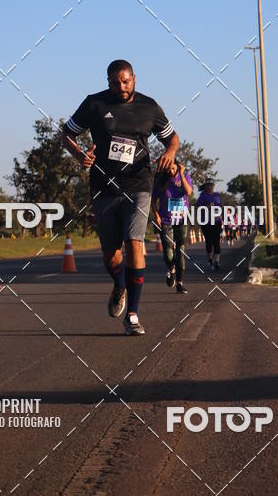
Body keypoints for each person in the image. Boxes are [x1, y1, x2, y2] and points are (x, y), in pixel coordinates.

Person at [62, 59, 179, 336]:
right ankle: (119, 284)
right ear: (108, 82)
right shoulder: (94, 104)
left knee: (134, 243)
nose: (121, 86)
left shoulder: (150, 107)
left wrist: (170, 153)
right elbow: (67, 133)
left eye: (125, 81)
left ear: (134, 79)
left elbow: (172, 138)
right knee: (111, 255)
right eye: (115, 82)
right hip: (104, 186)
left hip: (139, 184)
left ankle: (133, 315)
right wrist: (79, 154)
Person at [152, 162, 193, 294]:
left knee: (180, 251)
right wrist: (156, 215)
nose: (171, 171)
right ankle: (171, 269)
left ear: (178, 167)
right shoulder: (161, 180)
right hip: (166, 220)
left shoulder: (185, 176)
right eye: (168, 168)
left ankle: (180, 283)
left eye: (173, 168)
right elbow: (153, 200)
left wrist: (181, 174)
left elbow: (189, 192)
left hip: (182, 219)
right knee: (168, 253)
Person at [197, 180, 223, 270]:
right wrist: (207, 207)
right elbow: (198, 208)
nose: (210, 187)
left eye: (211, 185)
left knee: (216, 241)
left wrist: (220, 214)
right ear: (205, 186)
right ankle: (210, 259)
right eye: (208, 185)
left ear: (214, 185)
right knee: (209, 241)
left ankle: (217, 261)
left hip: (217, 222)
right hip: (206, 222)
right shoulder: (202, 196)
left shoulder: (217, 195)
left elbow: (221, 207)